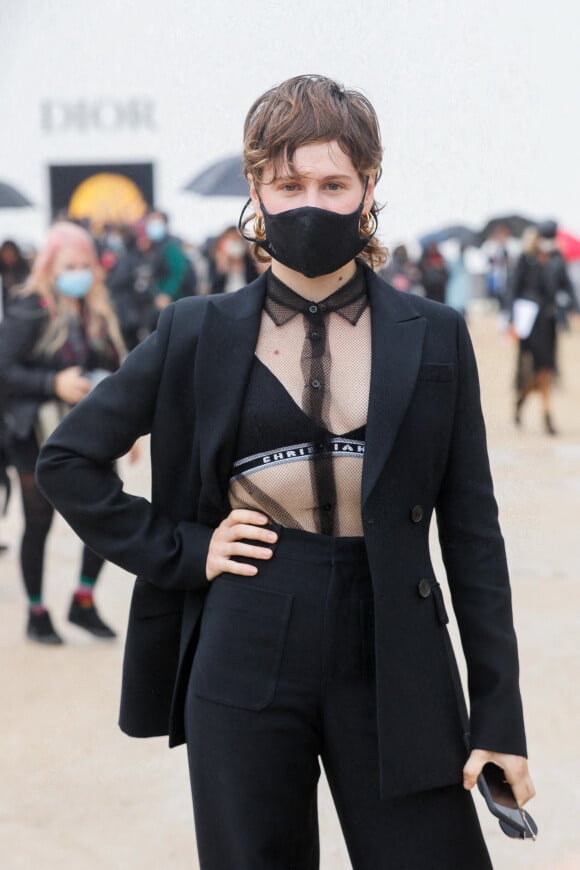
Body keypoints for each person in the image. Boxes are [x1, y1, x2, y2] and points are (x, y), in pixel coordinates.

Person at [36, 75, 534, 868]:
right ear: (256, 190)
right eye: (288, 182)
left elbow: (475, 534)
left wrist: (499, 716)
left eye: (333, 183)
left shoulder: (434, 335)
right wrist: (186, 551)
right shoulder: (195, 332)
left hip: (395, 644)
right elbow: (66, 458)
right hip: (246, 632)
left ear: (369, 188)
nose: (310, 203)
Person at [0, 221, 126, 644]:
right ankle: (37, 613)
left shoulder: (95, 310)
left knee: (107, 513)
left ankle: (83, 601)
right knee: (38, 522)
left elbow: (115, 368)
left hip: (86, 431)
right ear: (51, 266)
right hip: (32, 433)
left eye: (85, 264)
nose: (79, 272)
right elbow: (5, 370)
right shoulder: (30, 307)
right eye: (70, 264)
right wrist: (52, 384)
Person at [511, 222, 578, 435]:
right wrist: (510, 318)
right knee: (535, 367)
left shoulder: (558, 260)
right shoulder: (526, 259)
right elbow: (513, 288)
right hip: (529, 323)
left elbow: (568, 288)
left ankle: (537, 407)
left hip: (548, 322)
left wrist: (573, 307)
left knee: (546, 367)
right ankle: (533, 406)